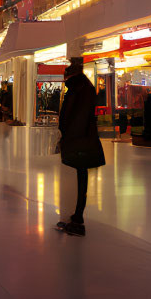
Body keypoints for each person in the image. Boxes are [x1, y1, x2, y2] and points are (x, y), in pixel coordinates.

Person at [55, 58, 105, 237]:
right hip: (81, 140)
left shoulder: (78, 91)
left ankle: (77, 219)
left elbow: (77, 117)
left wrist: (67, 137)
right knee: (80, 179)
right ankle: (76, 216)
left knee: (79, 178)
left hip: (78, 142)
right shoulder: (83, 89)